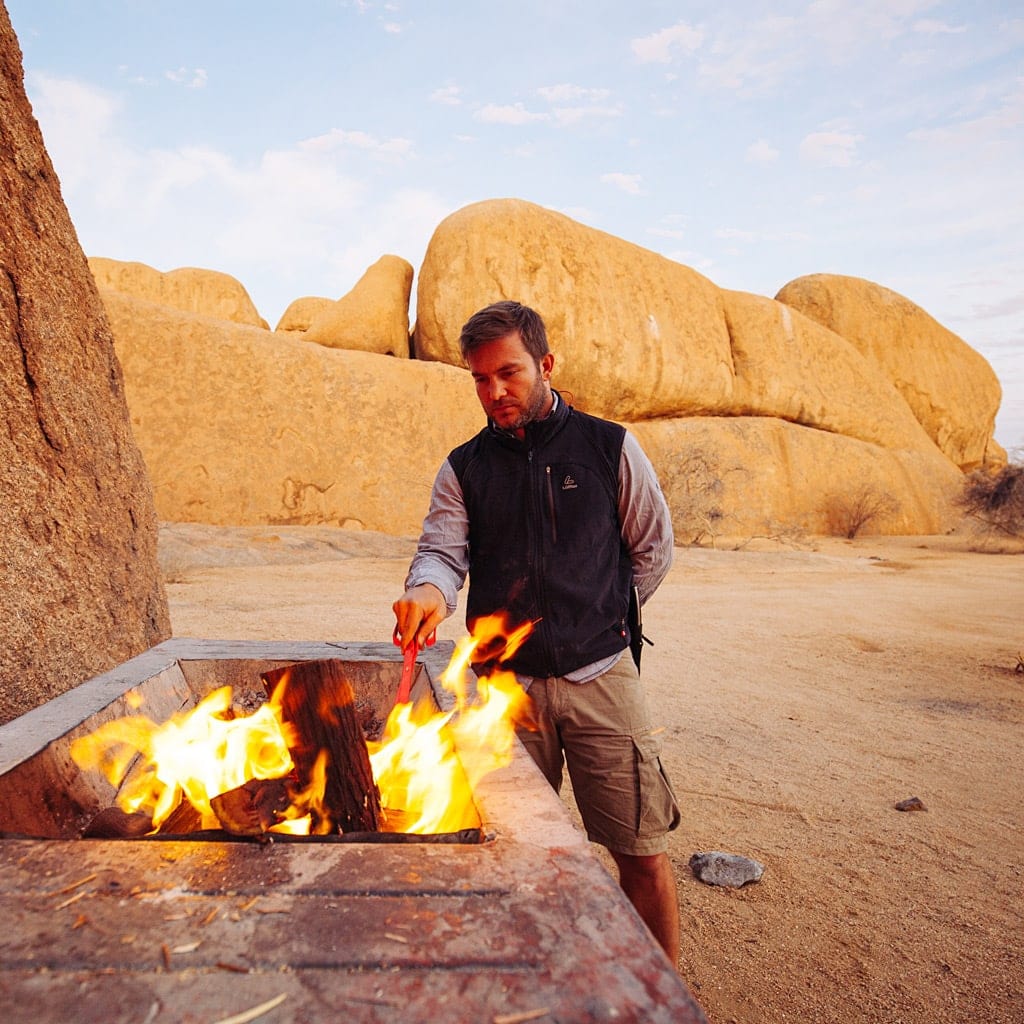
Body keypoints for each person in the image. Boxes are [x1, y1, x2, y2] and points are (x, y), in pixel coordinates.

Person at [392, 300, 681, 961]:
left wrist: (605, 619)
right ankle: (526, 980)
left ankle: (665, 994)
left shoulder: (609, 446)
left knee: (639, 852)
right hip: (504, 693)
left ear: (546, 364)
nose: (495, 392)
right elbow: (442, 552)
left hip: (601, 677)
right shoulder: (464, 467)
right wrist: (425, 594)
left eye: (509, 373)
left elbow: (652, 548)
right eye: (480, 379)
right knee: (510, 853)